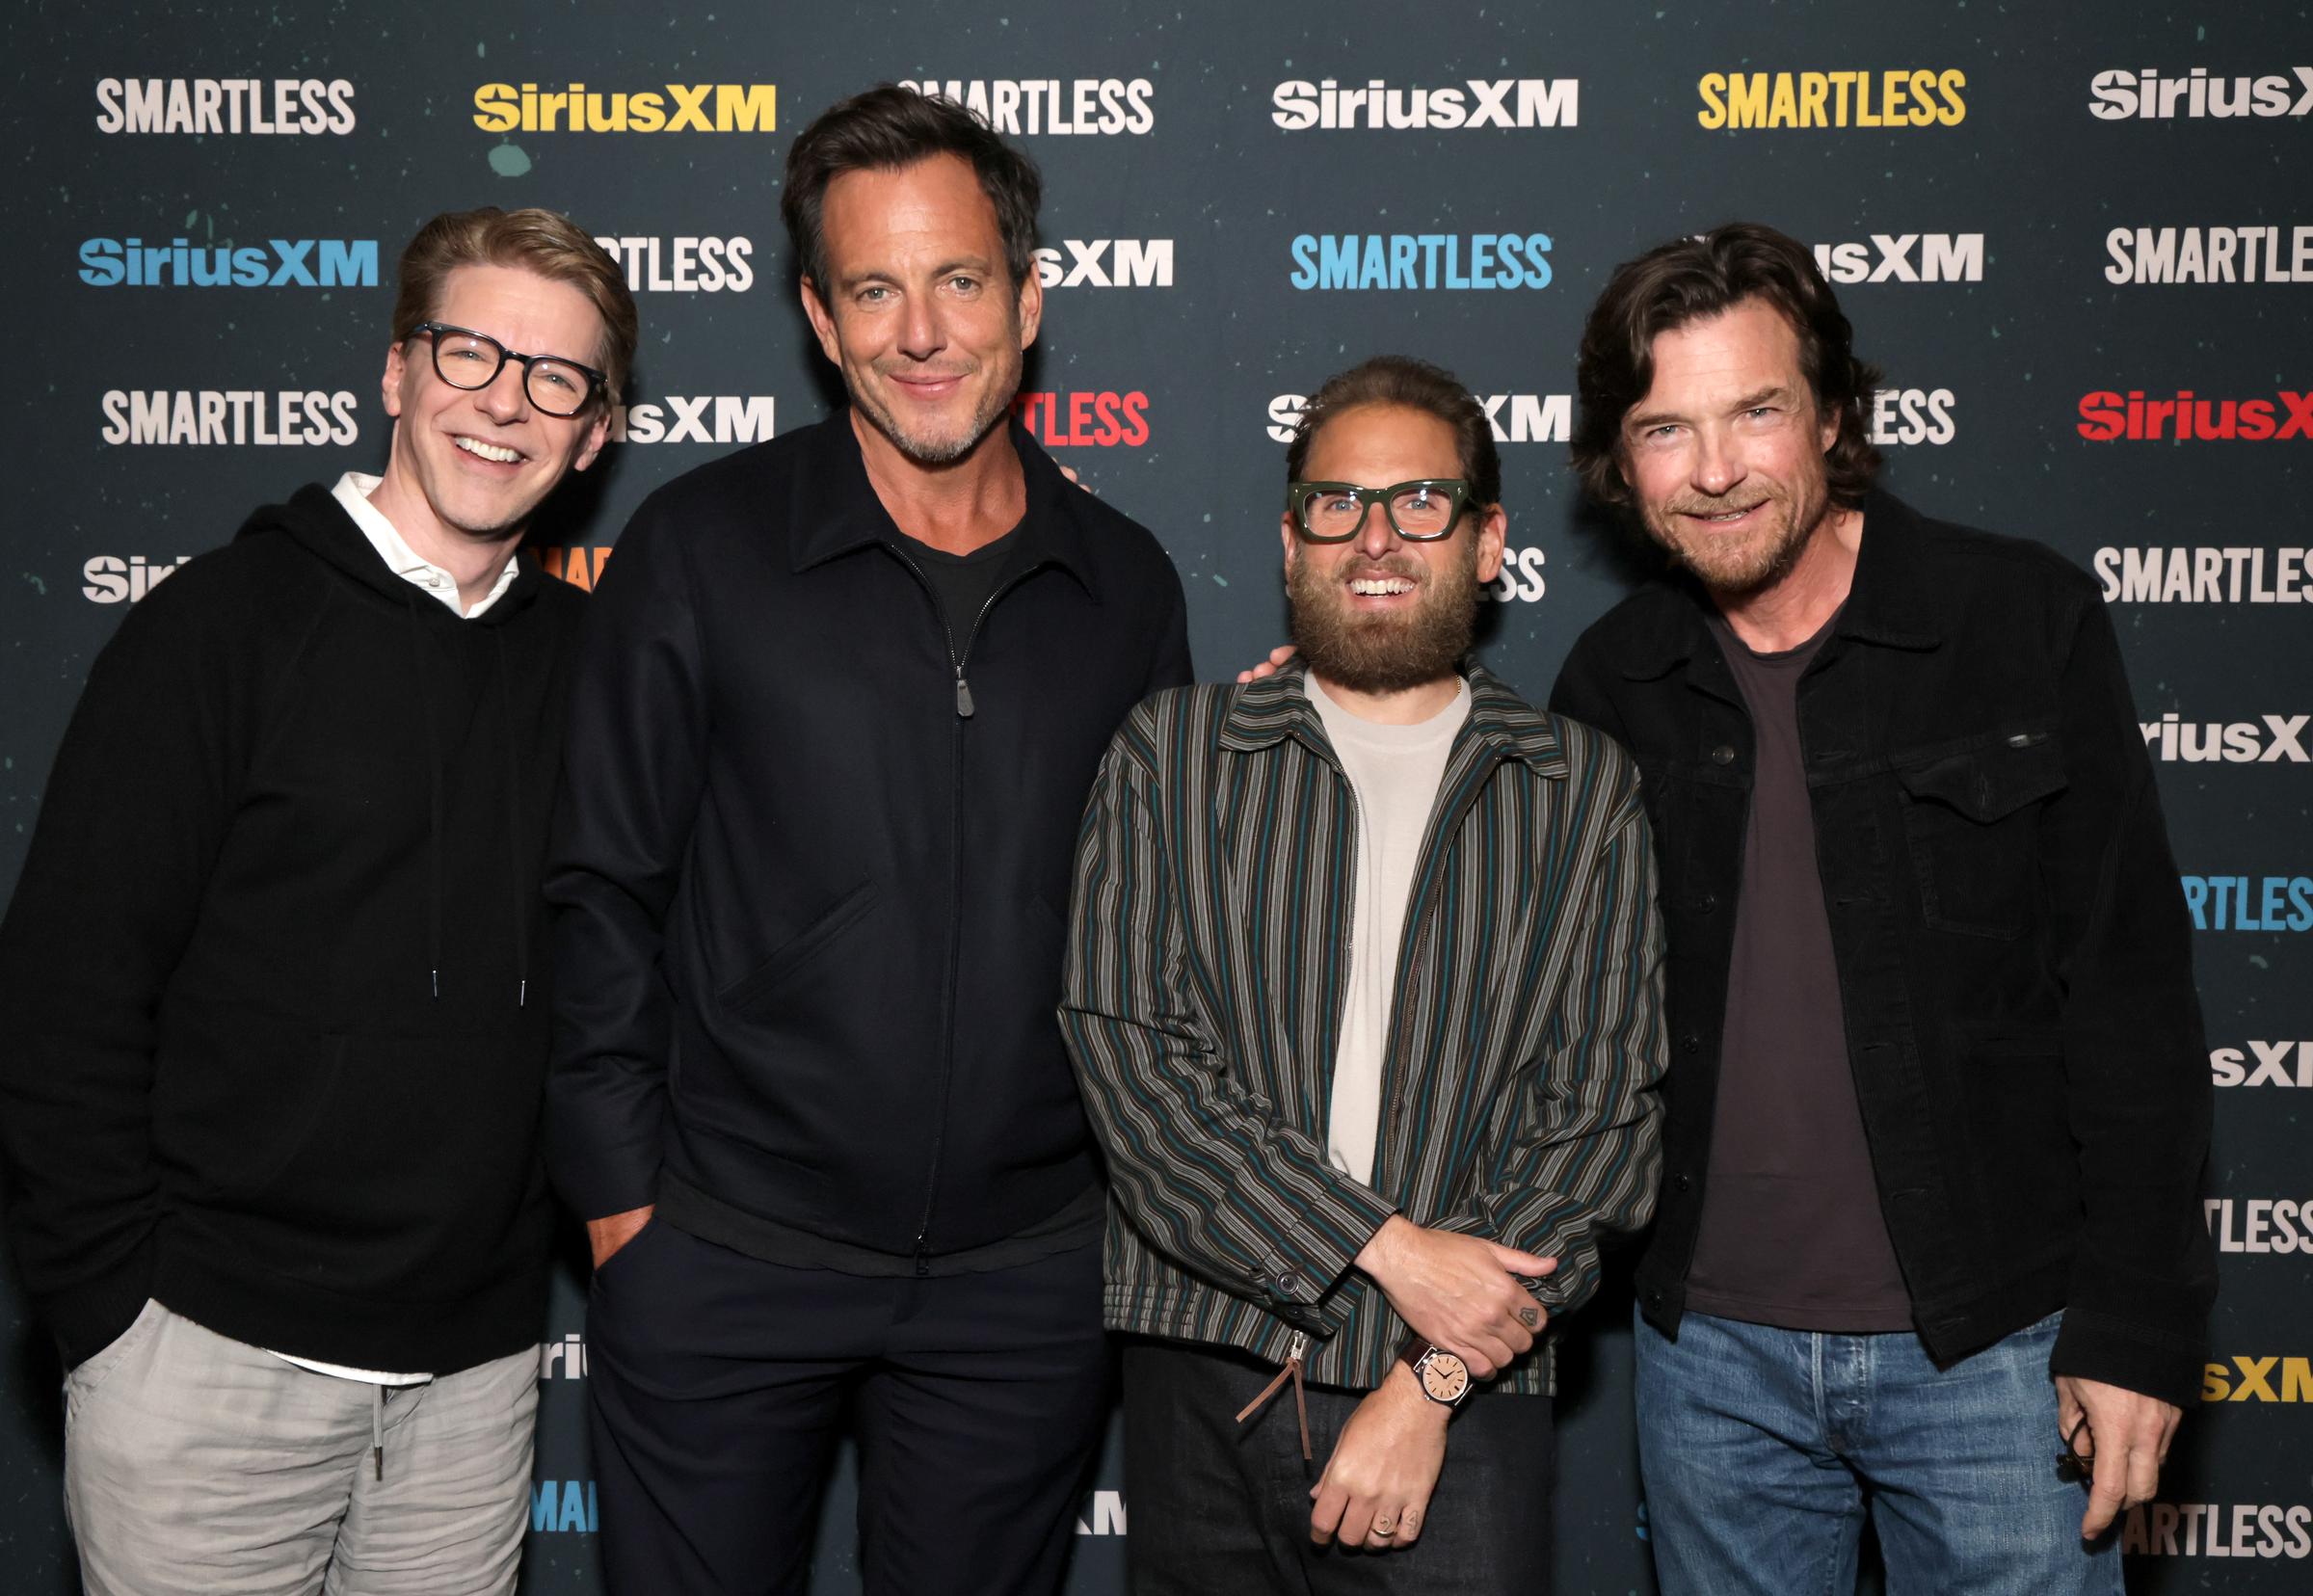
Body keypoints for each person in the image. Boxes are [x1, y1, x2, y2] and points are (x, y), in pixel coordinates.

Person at [547, 84, 1191, 1596]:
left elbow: (1165, 912)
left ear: (1028, 299)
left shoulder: (1126, 585)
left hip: (1026, 1278)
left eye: (959, 280)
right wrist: (628, 1214)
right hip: (723, 1251)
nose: (921, 331)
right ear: (820, 324)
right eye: (873, 290)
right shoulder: (701, 548)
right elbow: (600, 893)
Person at [1546, 223, 2214, 1594]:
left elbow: (2132, 998)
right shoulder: (1609, 685)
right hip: (1707, 1367)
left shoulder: (2019, 621)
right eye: (1667, 429)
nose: (1717, 470)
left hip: (2001, 1351)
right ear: (1622, 461)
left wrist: (2139, 1324)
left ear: (1836, 415)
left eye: (1756, 412)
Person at [0, 205, 636, 1595]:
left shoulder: (598, 669)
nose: (503, 403)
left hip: (471, 1394)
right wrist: (116, 1320)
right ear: (397, 371)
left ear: (596, 435)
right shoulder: (221, 629)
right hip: (205, 1377)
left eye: (555, 378)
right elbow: (63, 995)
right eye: (468, 353)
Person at [1064, 356, 1665, 1594]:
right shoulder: (1174, 756)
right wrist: (1385, 1245)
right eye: (1337, 504)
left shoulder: (1578, 788)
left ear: (1489, 540)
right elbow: (1135, 1072)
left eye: (1420, 502)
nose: (1375, 536)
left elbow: (1600, 1128)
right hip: (1205, 1371)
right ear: (1291, 541)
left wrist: (1429, 1383)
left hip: (1470, 1394)